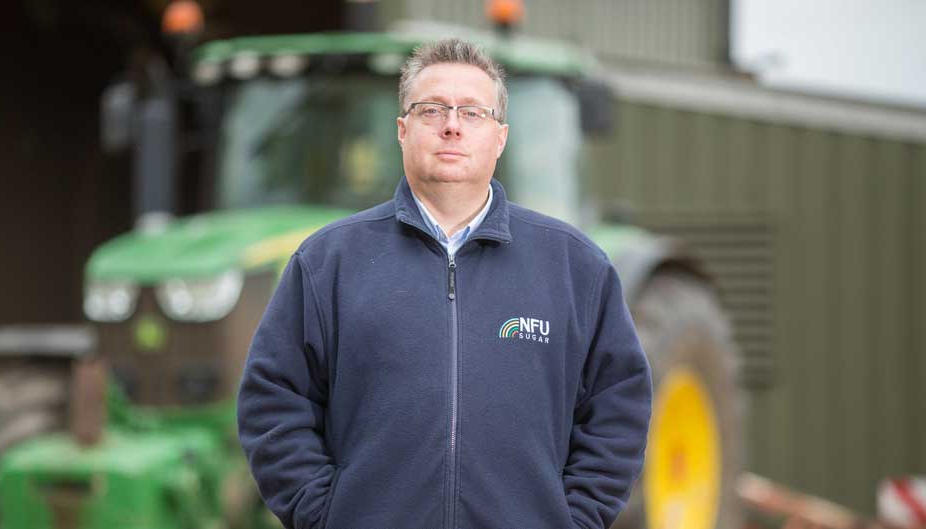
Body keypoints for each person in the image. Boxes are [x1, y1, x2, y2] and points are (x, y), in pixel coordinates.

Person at [238, 38, 652, 529]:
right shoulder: (327, 262)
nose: (452, 125)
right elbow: (274, 400)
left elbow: (618, 406)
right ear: (402, 130)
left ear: (499, 137)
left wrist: (573, 520)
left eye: (472, 112)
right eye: (432, 109)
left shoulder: (575, 266)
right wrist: (325, 514)